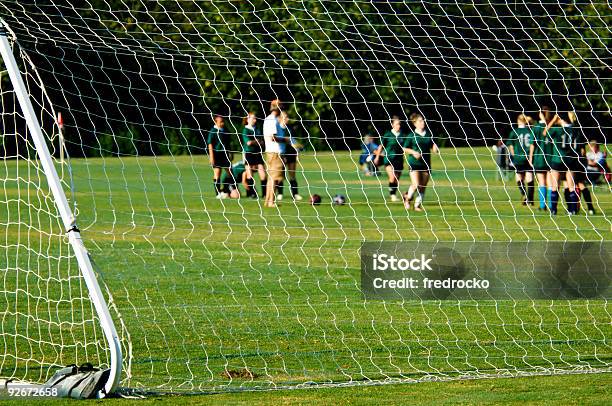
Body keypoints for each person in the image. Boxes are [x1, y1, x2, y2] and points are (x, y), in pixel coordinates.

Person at [402, 113, 439, 211]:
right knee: (416, 184)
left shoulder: (428, 134)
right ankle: (407, 199)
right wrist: (413, 152)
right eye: (420, 121)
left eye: (423, 120)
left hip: (426, 163)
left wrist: (435, 148)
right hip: (414, 163)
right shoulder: (411, 135)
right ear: (415, 123)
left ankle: (417, 205)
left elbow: (433, 145)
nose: (423, 122)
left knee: (423, 186)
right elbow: (404, 148)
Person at [545, 112, 579, 215]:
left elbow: (545, 133)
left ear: (561, 120)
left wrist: (553, 121)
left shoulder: (557, 129)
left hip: (558, 160)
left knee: (555, 186)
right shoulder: (574, 129)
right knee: (571, 186)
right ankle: (572, 210)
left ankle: (554, 210)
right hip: (570, 160)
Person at [568, 112, 596, 215]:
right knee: (581, 184)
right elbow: (583, 150)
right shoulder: (579, 130)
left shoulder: (567, 130)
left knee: (570, 185)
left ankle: (573, 209)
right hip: (579, 160)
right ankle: (590, 208)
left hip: (570, 160)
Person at [374, 116, 406, 202]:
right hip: (388, 159)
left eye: (399, 124)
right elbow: (381, 146)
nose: (398, 126)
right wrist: (377, 157)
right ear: (392, 125)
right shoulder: (388, 134)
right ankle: (392, 196)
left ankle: (394, 193)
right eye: (396, 124)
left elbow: (405, 147)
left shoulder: (402, 135)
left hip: (399, 160)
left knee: (397, 179)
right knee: (392, 177)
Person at [263, 99, 287, 207]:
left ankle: (267, 201)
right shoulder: (272, 120)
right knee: (275, 178)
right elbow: (273, 137)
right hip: (275, 152)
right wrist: (285, 140)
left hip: (271, 151)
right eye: (281, 107)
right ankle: (271, 202)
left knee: (271, 177)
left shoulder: (270, 119)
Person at [505, 114, 534, 206]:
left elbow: (511, 146)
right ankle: (530, 200)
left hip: (518, 158)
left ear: (518, 120)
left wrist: (514, 156)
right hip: (529, 157)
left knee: (519, 177)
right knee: (529, 178)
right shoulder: (530, 130)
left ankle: (524, 194)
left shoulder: (514, 131)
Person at [529, 107, 552, 210]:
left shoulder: (536, 127)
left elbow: (532, 145)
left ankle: (543, 206)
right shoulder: (552, 127)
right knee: (550, 183)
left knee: (542, 182)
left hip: (539, 158)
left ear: (540, 114)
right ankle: (552, 205)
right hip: (551, 158)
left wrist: (530, 158)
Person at [207, 115, 234, 199]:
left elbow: (228, 144)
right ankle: (218, 193)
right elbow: (210, 144)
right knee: (217, 173)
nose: (222, 123)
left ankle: (227, 189)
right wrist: (211, 157)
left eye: (223, 121)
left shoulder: (225, 131)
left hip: (225, 154)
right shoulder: (213, 131)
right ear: (216, 122)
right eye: (220, 121)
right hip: (217, 154)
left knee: (230, 172)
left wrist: (231, 153)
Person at [241, 112, 266, 198]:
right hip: (248, 153)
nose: (255, 120)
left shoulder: (257, 129)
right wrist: (257, 141)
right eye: (253, 118)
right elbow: (248, 143)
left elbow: (262, 142)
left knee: (262, 173)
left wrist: (255, 142)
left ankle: (264, 194)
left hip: (258, 153)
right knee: (249, 174)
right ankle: (252, 193)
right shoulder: (245, 130)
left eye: (255, 118)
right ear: (248, 119)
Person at [279, 111, 303, 200]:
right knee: (280, 174)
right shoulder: (278, 129)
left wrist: (298, 152)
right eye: (285, 117)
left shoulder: (290, 129)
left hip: (291, 153)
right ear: (280, 118)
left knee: (292, 174)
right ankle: (280, 194)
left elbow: (293, 141)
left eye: (287, 117)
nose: (287, 119)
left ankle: (295, 194)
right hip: (282, 154)